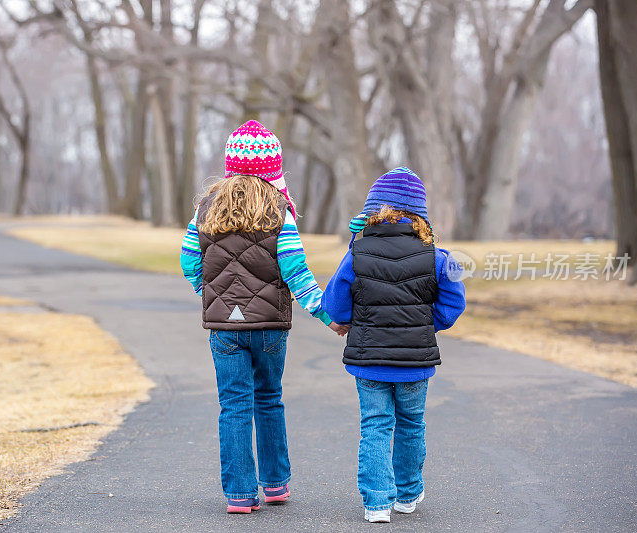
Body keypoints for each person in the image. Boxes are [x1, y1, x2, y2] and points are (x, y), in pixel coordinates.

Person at [180, 120, 348, 514]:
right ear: (273, 168)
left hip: (224, 327)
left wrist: (211, 295)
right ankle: (274, 484)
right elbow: (295, 271)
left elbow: (189, 261)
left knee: (234, 403)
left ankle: (239, 494)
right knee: (269, 398)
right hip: (270, 326)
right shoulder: (278, 211)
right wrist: (329, 317)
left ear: (230, 165)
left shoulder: (207, 209)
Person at [321, 167, 466, 523]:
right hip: (415, 360)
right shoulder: (441, 257)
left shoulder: (356, 253)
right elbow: (453, 305)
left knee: (375, 424)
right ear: (421, 215)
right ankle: (407, 494)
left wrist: (353, 321)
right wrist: (421, 325)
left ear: (372, 211)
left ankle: (376, 504)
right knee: (412, 423)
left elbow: (335, 306)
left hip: (369, 359)